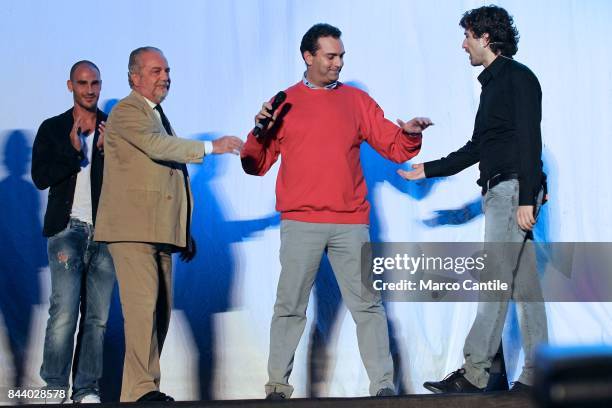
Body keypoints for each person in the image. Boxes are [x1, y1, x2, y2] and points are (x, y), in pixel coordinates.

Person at [241, 23, 432, 399]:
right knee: (290, 308)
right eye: (331, 56)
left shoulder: (357, 101)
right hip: (300, 222)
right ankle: (277, 386)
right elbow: (256, 164)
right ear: (308, 57)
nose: (338, 63)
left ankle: (383, 386)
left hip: (350, 223)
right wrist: (258, 131)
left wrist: (409, 132)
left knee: (369, 306)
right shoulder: (285, 103)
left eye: (341, 56)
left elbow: (393, 145)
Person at [398, 5, 548, 393]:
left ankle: (475, 371)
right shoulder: (493, 84)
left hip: (513, 190)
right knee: (524, 285)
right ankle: (538, 374)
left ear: (485, 37)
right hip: (503, 189)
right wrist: (429, 169)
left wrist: (527, 196)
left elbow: (531, 139)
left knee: (495, 281)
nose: (463, 44)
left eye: (467, 36)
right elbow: (479, 145)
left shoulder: (518, 78)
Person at [94, 46, 243, 402]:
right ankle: (140, 390)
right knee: (143, 311)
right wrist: (211, 147)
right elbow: (159, 147)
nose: (165, 77)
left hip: (157, 232)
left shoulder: (155, 113)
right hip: (133, 231)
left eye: (167, 71)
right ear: (135, 77)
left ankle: (145, 389)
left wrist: (183, 233)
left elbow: (169, 176)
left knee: (158, 314)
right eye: (156, 71)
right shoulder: (129, 110)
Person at [32, 60, 115, 403]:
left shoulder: (114, 129)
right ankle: (54, 387)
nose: (90, 89)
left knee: (97, 318)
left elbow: (128, 183)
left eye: (95, 83)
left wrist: (110, 154)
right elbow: (40, 177)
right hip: (66, 230)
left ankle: (86, 389)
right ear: (70, 86)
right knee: (64, 311)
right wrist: (73, 151)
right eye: (83, 83)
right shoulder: (52, 128)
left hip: (107, 232)